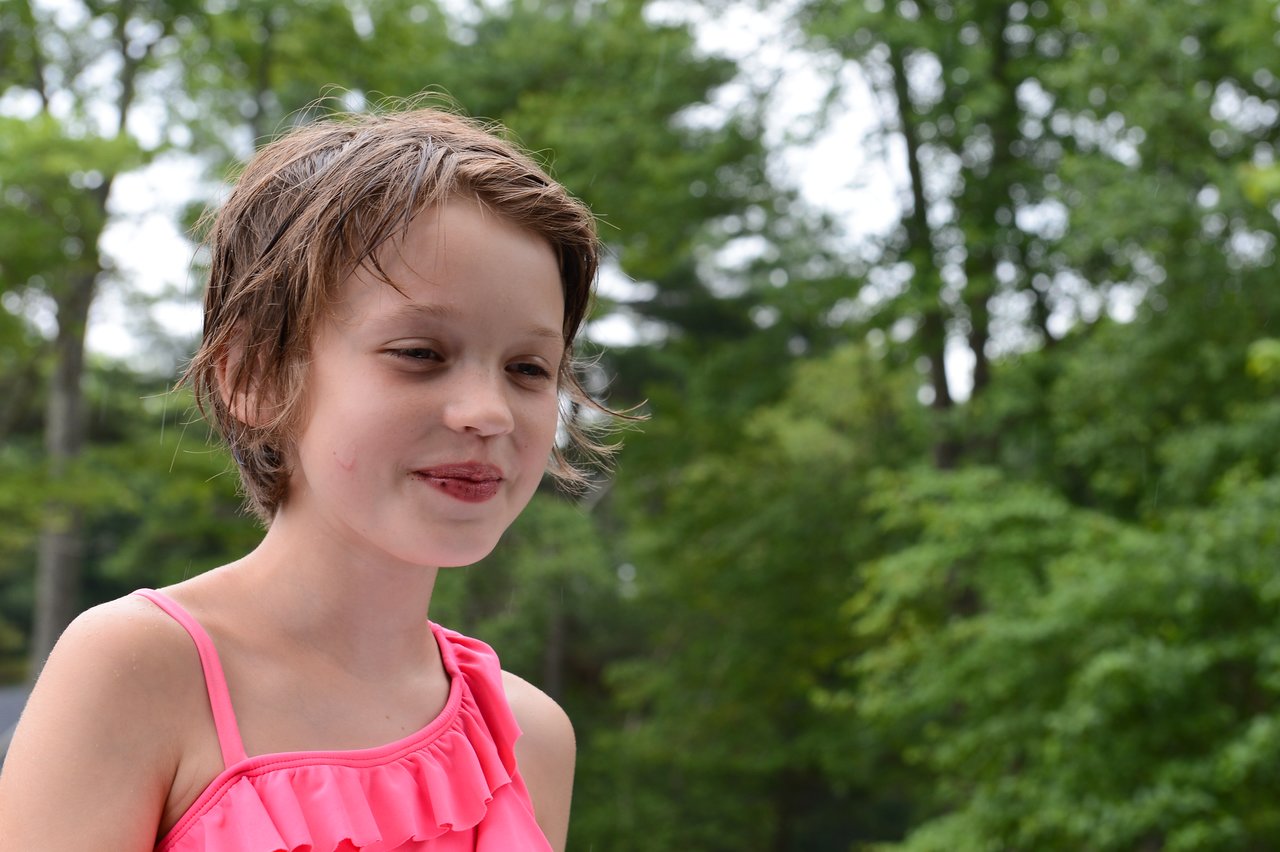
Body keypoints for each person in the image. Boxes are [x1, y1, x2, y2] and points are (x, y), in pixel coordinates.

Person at [0, 104, 614, 851]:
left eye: (528, 368)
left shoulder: (530, 738)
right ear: (254, 374)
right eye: (421, 352)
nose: (487, 412)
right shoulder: (139, 671)